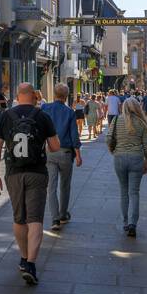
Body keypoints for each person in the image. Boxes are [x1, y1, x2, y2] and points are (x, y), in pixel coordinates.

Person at [0, 82, 59, 285]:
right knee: (35, 219)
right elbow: (55, 146)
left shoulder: (6, 116)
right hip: (36, 172)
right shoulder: (42, 116)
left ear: (17, 95)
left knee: (19, 219)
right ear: (34, 96)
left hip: (14, 173)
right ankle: (31, 263)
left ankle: (23, 257)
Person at [107, 96, 147, 237]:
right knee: (134, 192)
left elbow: (109, 138)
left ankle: (125, 222)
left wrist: (113, 151)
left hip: (119, 158)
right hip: (136, 158)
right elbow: (146, 145)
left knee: (123, 191)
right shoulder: (141, 122)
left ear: (124, 107)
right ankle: (133, 223)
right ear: (137, 108)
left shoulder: (116, 120)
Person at [41, 83, 82, 231]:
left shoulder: (45, 108)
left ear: (54, 94)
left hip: (49, 151)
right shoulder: (69, 112)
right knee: (65, 185)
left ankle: (55, 219)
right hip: (65, 152)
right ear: (66, 96)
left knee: (51, 186)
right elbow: (74, 135)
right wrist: (78, 155)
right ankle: (63, 214)